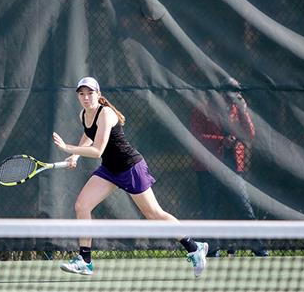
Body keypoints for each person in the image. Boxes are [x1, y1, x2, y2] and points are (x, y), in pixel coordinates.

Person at [52, 77, 208, 277]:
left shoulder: (105, 113)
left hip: (130, 167)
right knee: (82, 206)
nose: (86, 97)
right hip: (109, 170)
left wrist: (68, 148)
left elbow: (98, 150)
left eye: (90, 93)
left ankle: (194, 247)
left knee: (154, 214)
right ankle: (85, 260)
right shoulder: (84, 114)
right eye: (81, 94)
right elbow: (89, 136)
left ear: (98, 95)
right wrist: (74, 155)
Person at [190, 90, 268, 257]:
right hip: (208, 169)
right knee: (209, 211)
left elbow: (249, 134)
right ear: (222, 92)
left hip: (233, 170)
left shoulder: (238, 111)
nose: (237, 94)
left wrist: (243, 110)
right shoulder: (202, 109)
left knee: (244, 208)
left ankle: (259, 248)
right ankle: (211, 250)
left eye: (239, 91)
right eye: (232, 90)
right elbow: (196, 136)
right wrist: (221, 141)